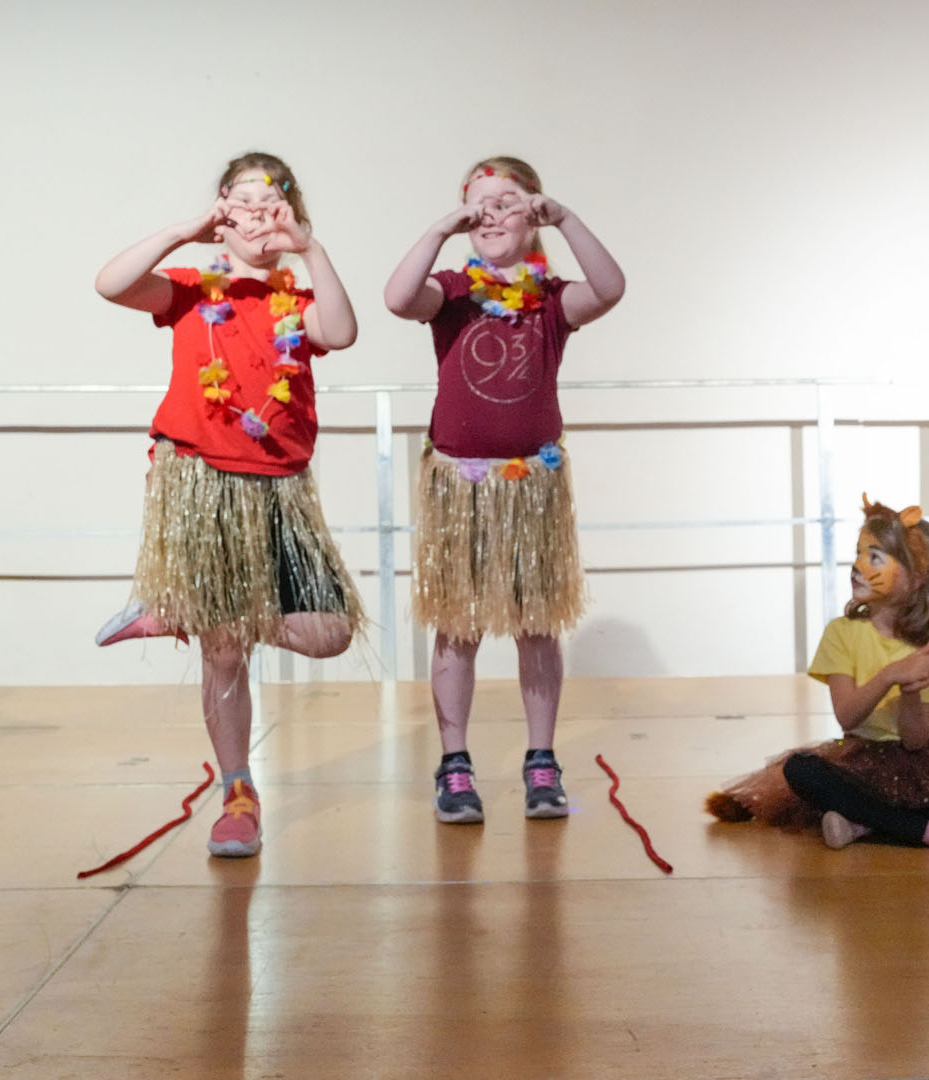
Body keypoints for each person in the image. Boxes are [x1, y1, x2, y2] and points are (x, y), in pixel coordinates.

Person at [94, 152, 362, 857]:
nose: (254, 213)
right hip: (200, 479)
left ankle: (185, 611)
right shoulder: (189, 290)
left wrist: (309, 248)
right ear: (221, 211)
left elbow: (341, 333)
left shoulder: (297, 302)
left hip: (279, 486)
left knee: (332, 631)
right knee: (223, 653)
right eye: (240, 200)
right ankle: (238, 794)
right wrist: (184, 232)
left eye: (269, 202)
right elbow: (111, 284)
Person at [384, 155, 624, 823]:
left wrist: (566, 218)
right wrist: (440, 229)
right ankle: (455, 763)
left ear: (533, 213)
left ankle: (541, 760)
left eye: (506, 201)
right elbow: (398, 299)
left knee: (537, 625)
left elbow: (610, 288)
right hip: (459, 485)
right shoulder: (453, 290)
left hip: (531, 487)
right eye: (478, 203)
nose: (490, 214)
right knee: (457, 625)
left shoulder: (550, 300)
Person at [707, 497, 929, 854]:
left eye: (875, 558)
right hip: (857, 762)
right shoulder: (842, 632)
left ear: (918, 578)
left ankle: (865, 823)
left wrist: (911, 690)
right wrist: (891, 674)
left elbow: (915, 742)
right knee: (801, 770)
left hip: (926, 764)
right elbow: (847, 716)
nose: (857, 566)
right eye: (858, 554)